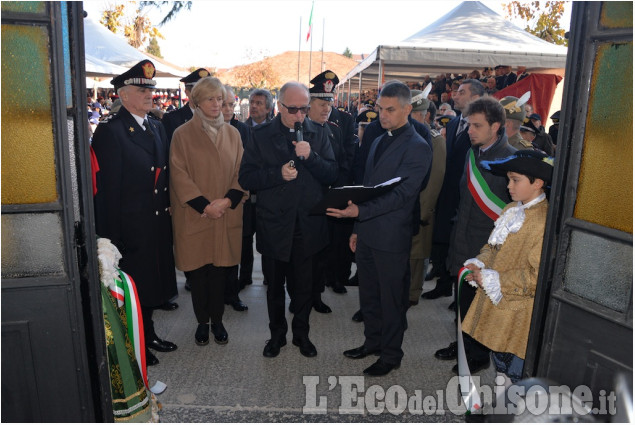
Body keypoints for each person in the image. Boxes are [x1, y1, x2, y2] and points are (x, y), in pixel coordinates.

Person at [328, 81, 432, 376]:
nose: (383, 115)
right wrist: (357, 229)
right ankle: (372, 343)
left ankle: (391, 354)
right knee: (369, 295)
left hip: (391, 236)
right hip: (368, 233)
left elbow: (402, 196)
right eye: (380, 109)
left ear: (408, 109)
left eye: (390, 110)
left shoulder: (418, 147)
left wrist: (359, 212)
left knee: (392, 299)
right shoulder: (377, 139)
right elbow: (369, 188)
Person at [239, 81, 337, 358]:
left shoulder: (319, 132)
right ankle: (277, 335)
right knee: (274, 288)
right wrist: (276, 174)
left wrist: (312, 158)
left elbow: (332, 174)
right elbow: (246, 177)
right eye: (293, 109)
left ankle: (302, 335)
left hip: (308, 224)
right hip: (274, 225)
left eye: (304, 109)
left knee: (304, 287)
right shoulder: (259, 135)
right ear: (279, 106)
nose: (299, 116)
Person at [92, 60, 178, 366]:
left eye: (150, 89)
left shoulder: (155, 125)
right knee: (134, 286)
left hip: (154, 222)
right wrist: (110, 238)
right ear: (123, 95)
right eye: (141, 89)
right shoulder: (111, 132)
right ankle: (135, 342)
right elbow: (107, 191)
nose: (149, 94)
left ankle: (149, 333)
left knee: (151, 283)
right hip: (130, 226)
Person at [435, 97, 516, 374]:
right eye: (469, 124)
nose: (470, 130)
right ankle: (461, 344)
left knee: (479, 305)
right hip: (463, 238)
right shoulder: (474, 153)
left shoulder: (509, 160)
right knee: (462, 301)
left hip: (486, 245)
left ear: (496, 126)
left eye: (477, 126)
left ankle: (477, 354)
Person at [462, 149, 553, 386]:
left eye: (515, 180)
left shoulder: (543, 221)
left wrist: (495, 279)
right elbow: (493, 246)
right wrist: (481, 261)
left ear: (538, 183)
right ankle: (499, 410)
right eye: (509, 179)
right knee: (499, 362)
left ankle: (510, 414)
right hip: (499, 303)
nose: (509, 186)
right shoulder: (512, 209)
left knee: (516, 369)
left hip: (520, 310)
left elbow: (537, 277)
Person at [169, 76, 247, 346]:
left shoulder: (234, 134)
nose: (217, 105)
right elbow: (179, 176)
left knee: (220, 271)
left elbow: (242, 173)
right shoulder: (182, 134)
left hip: (225, 213)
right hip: (196, 215)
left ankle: (218, 320)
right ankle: (202, 322)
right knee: (199, 273)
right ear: (197, 103)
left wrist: (225, 202)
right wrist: (205, 206)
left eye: (220, 100)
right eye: (210, 99)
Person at [424, 79, 484, 297]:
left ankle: (462, 288)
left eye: (461, 92)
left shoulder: (482, 128)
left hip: (469, 193)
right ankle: (443, 284)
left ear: (476, 98)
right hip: (448, 191)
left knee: (461, 243)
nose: (455, 96)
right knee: (442, 238)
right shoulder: (452, 123)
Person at [308, 71, 356, 311]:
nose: (327, 106)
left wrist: (338, 189)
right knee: (312, 249)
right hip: (311, 195)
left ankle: (331, 282)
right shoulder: (304, 122)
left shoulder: (344, 121)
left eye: (329, 101)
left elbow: (349, 157)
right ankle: (312, 293)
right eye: (321, 102)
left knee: (333, 244)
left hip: (335, 192)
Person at [408, 90, 446, 306]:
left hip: (421, 207)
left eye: (415, 113)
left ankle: (412, 294)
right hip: (402, 207)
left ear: (425, 116)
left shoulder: (435, 140)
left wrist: (422, 212)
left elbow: (434, 180)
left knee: (416, 254)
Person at [220, 85, 250, 312]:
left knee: (235, 248)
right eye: (224, 104)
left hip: (237, 198)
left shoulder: (242, 130)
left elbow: (248, 165)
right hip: (212, 201)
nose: (228, 109)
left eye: (232, 104)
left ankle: (232, 293)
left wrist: (241, 192)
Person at [162, 68, 211, 144]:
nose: (204, 95)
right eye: (199, 92)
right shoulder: (172, 119)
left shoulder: (216, 118)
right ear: (187, 92)